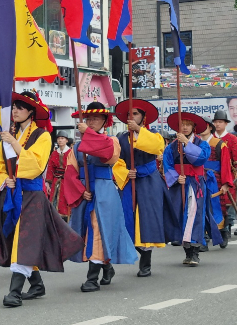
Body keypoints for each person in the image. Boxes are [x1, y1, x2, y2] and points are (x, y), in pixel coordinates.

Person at [0, 91, 83, 308]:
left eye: (21, 107)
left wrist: (15, 144)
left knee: (25, 242)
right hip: (13, 194)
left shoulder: (42, 135)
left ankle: (14, 292)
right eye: (14, 107)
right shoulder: (8, 135)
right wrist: (5, 180)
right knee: (17, 240)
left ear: (31, 111)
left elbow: (37, 165)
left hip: (32, 196)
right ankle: (37, 284)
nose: (16, 110)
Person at [64, 102, 138, 293]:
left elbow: (108, 155)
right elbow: (70, 171)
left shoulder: (112, 140)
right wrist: (81, 190)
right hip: (86, 191)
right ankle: (106, 266)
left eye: (95, 118)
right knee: (89, 231)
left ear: (105, 121)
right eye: (88, 118)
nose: (91, 121)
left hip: (104, 191)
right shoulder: (76, 147)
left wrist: (88, 134)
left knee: (99, 229)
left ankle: (92, 278)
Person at [113, 99, 180, 278]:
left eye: (135, 113)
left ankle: (146, 260)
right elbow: (116, 160)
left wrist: (138, 131)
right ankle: (135, 249)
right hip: (129, 181)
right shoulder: (120, 138)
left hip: (149, 181)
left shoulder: (153, 135)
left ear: (143, 117)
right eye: (129, 114)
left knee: (146, 220)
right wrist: (126, 172)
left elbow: (158, 148)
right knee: (127, 217)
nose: (131, 116)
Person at [163, 112, 217, 267]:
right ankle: (186, 250)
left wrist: (187, 143)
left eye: (188, 124)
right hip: (179, 184)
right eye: (182, 124)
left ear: (194, 126)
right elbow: (167, 165)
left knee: (194, 215)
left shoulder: (202, 144)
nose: (185, 127)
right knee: (180, 215)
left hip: (195, 184)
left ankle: (194, 251)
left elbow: (200, 159)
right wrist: (174, 177)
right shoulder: (171, 147)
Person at [198, 116, 233, 249]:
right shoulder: (195, 143)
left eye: (204, 126)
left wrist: (225, 183)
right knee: (200, 207)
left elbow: (225, 165)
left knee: (218, 206)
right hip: (198, 178)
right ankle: (203, 239)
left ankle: (223, 231)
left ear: (210, 127)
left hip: (215, 179)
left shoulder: (219, 144)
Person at [210, 110, 237, 240]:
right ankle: (216, 230)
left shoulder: (232, 139)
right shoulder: (210, 139)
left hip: (230, 175)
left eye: (220, 122)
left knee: (228, 204)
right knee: (214, 203)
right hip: (212, 176)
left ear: (226, 124)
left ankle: (226, 228)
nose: (218, 124)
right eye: (216, 122)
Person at [46, 130, 74, 220]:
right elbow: (50, 168)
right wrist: (48, 183)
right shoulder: (54, 153)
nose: (60, 140)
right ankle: (54, 218)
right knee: (53, 199)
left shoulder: (71, 152)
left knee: (65, 199)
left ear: (66, 140)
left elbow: (73, 167)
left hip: (67, 180)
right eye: (58, 138)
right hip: (55, 180)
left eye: (62, 138)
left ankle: (65, 220)